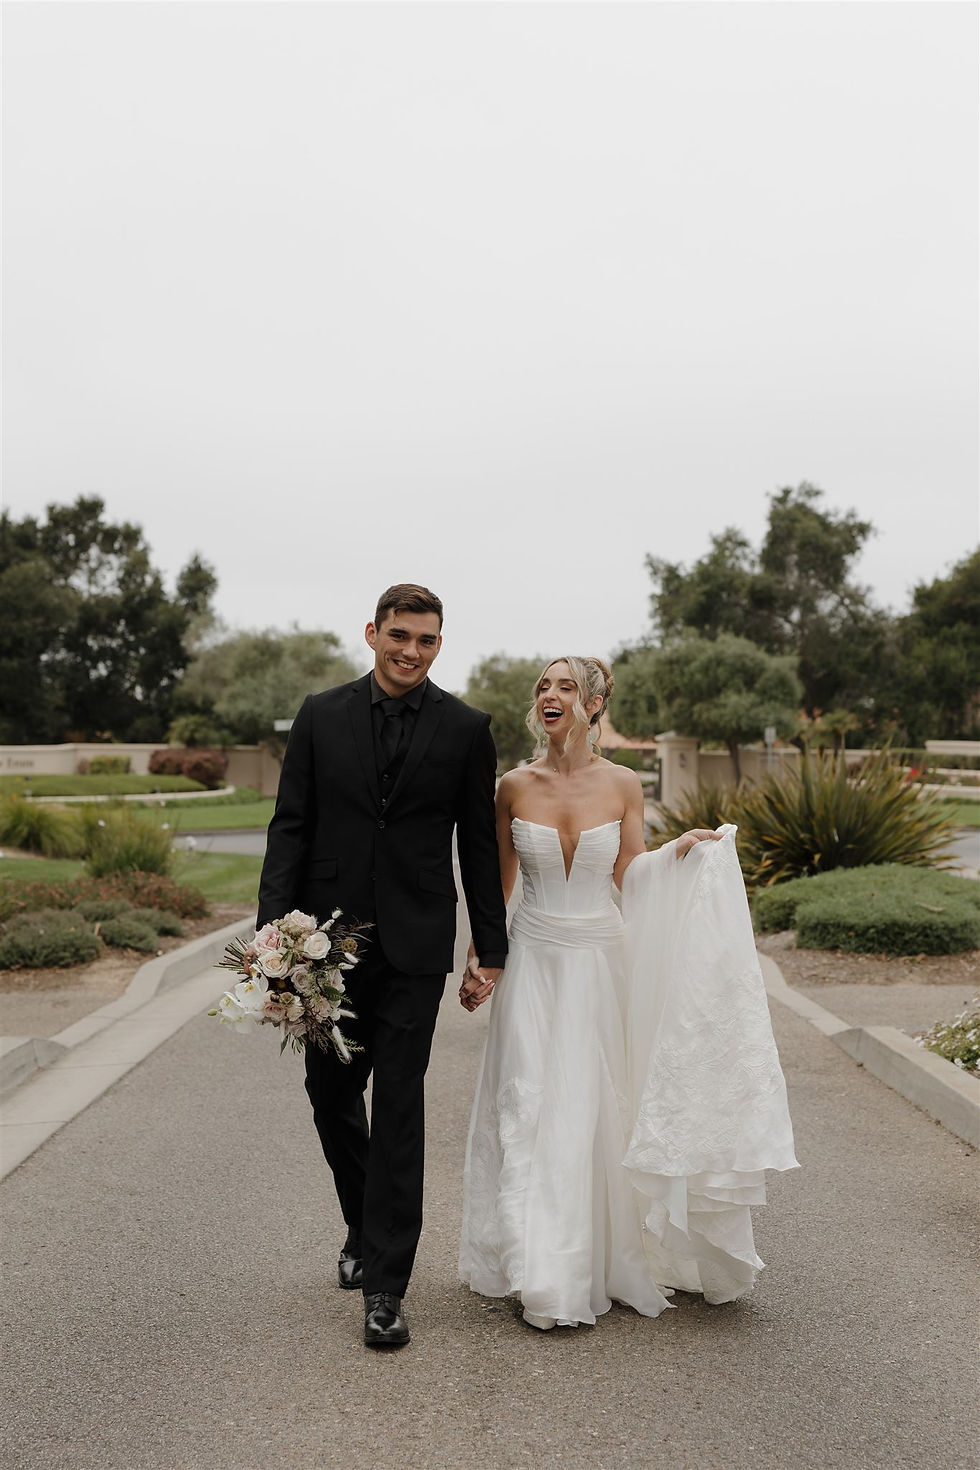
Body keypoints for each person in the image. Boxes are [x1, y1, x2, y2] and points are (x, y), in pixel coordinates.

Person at [458, 656, 797, 1330]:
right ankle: (538, 1264)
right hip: (533, 954)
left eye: (564, 687)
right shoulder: (512, 787)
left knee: (590, 1105)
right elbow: (498, 886)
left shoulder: (623, 783)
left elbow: (627, 873)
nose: (549, 695)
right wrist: (481, 958)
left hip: (599, 958)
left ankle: (590, 1258)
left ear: (593, 705)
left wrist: (679, 856)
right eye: (543, 686)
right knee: (527, 1099)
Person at [258, 584, 508, 1349]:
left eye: (426, 640)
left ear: (439, 645)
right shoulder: (320, 715)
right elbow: (290, 827)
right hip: (324, 945)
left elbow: (476, 843)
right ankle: (362, 1224)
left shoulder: (467, 730)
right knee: (331, 1092)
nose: (411, 651)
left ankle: (387, 1286)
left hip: (415, 946)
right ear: (372, 633)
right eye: (399, 635)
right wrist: (272, 943)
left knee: (400, 1103)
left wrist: (490, 947)